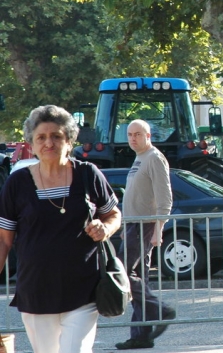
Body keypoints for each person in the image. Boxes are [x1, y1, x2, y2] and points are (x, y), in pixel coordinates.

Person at [0, 105, 121, 353]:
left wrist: (105, 228)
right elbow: (4, 240)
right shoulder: (17, 183)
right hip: (35, 290)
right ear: (31, 144)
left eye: (57, 136)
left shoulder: (88, 174)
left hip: (83, 289)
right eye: (41, 137)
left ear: (69, 140)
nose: (49, 143)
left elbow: (113, 214)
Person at [116, 119, 175, 350]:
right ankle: (142, 335)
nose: (133, 138)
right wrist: (124, 227)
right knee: (137, 277)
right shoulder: (139, 157)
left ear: (148, 136)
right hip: (133, 225)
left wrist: (158, 230)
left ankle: (161, 310)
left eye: (138, 134)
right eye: (130, 134)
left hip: (145, 225)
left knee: (123, 272)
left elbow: (165, 199)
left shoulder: (154, 158)